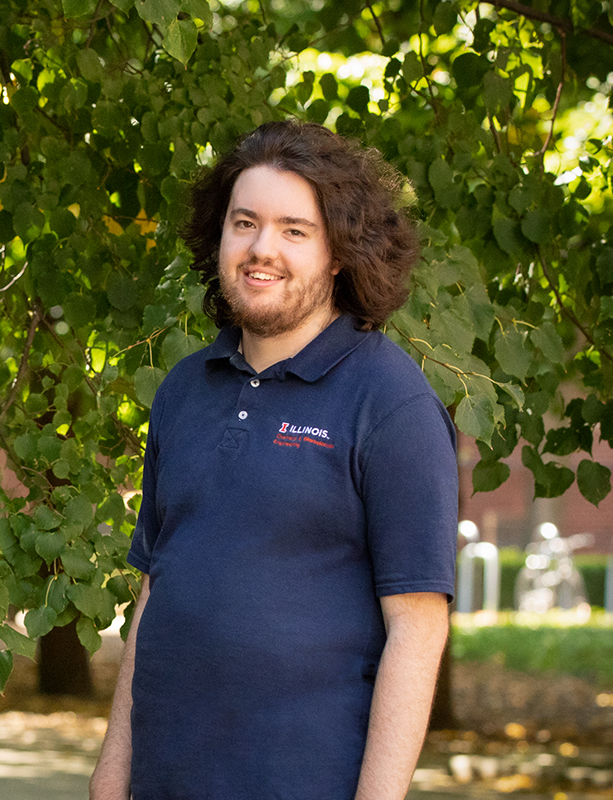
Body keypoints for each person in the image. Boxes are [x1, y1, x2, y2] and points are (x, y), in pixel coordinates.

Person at [89, 120, 458, 800]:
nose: (262, 249)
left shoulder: (391, 403)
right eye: (245, 223)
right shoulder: (183, 392)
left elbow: (417, 624)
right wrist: (112, 773)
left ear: (339, 253)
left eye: (295, 230)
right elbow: (156, 588)